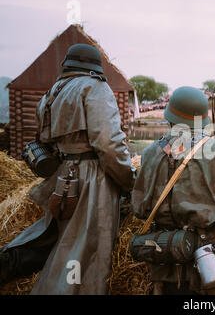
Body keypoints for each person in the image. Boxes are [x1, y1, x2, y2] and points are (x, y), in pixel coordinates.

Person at [0, 43, 135, 294]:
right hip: (92, 179)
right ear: (94, 66)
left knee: (62, 240)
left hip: (63, 177)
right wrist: (129, 180)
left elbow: (44, 141)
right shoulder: (95, 87)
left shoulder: (52, 93)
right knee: (88, 252)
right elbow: (108, 144)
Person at [131, 86, 215, 295]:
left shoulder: (151, 153)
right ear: (202, 121)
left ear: (169, 117)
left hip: (168, 261)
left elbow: (139, 209)